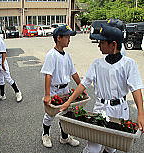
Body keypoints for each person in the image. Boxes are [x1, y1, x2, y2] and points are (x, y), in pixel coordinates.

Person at [60, 24, 144, 153]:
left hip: (120, 110)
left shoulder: (128, 64)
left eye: (102, 42)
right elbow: (83, 84)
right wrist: (68, 102)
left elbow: (136, 89)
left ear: (113, 44)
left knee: (111, 147)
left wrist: (140, 114)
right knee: (92, 147)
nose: (99, 45)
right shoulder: (97, 64)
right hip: (101, 108)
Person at [41, 25, 83, 148]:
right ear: (59, 38)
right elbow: (48, 75)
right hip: (55, 90)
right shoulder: (51, 55)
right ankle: (45, 134)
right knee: (50, 114)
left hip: (65, 89)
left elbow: (73, 73)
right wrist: (48, 95)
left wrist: (81, 88)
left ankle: (64, 137)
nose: (69, 39)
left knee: (66, 113)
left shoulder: (67, 55)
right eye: (67, 37)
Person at [0, 26, 23, 102]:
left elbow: (4, 53)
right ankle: (2, 95)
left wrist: (2, 64)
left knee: (8, 78)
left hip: (1, 62)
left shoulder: (0, 41)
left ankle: (18, 92)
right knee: (0, 79)